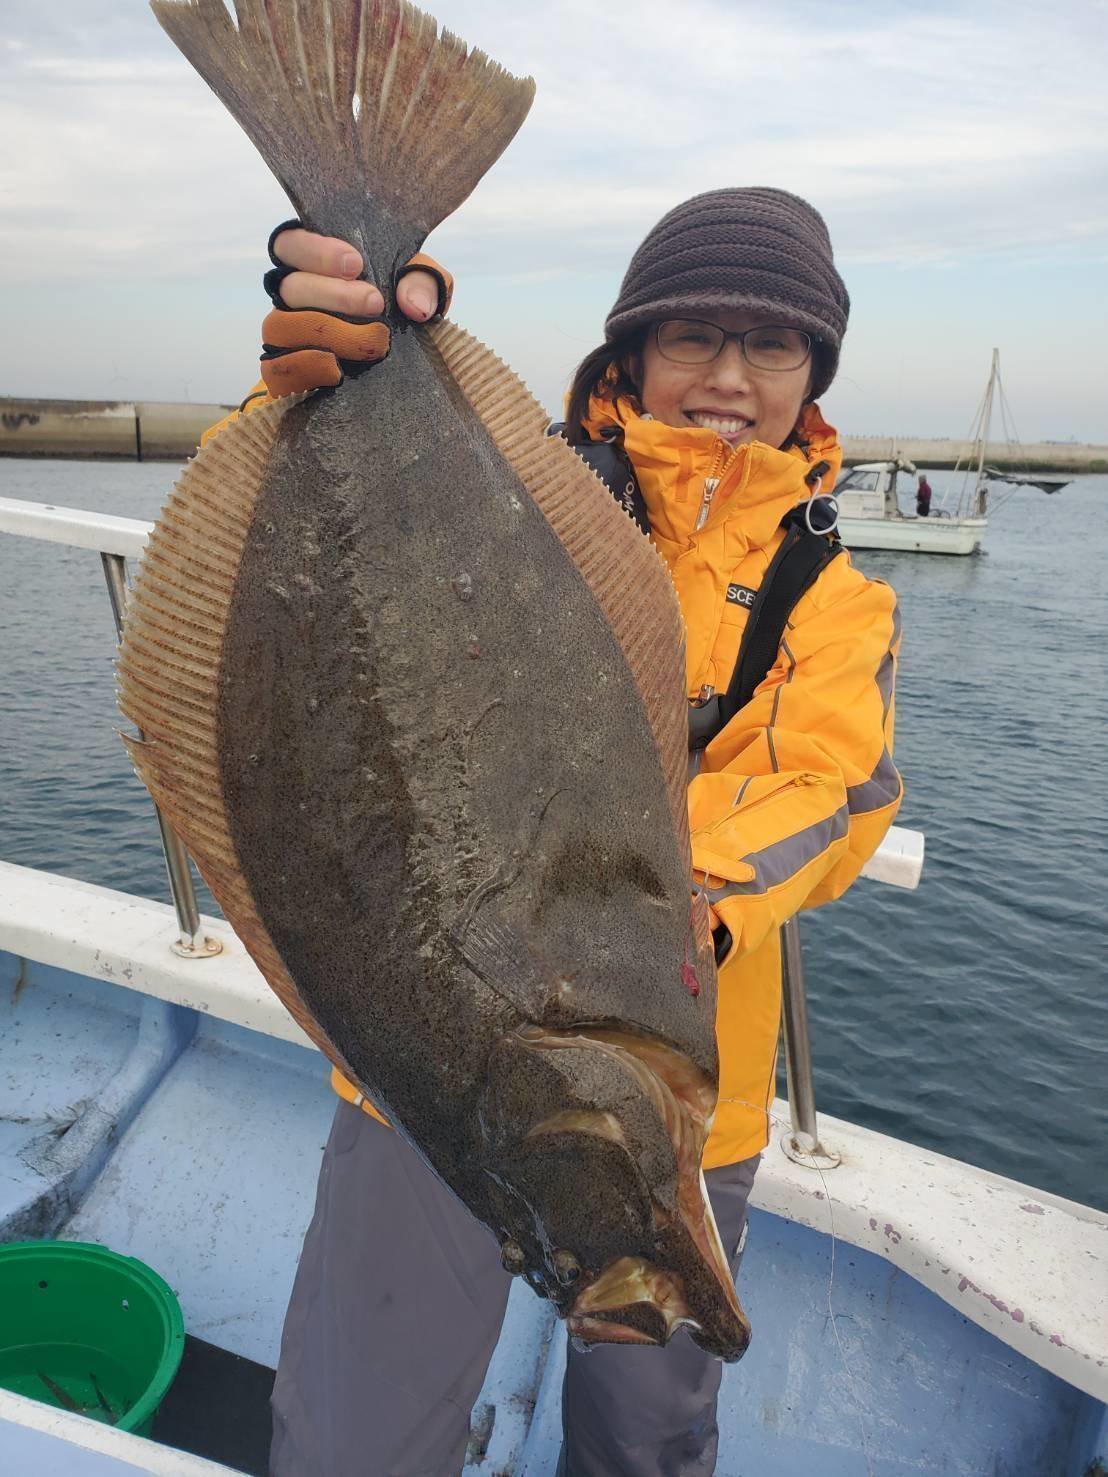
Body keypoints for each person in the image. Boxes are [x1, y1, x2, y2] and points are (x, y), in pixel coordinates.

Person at [205, 187, 902, 1477]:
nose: (729, 378)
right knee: (357, 1425)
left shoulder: (833, 596)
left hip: (681, 1103)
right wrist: (326, 363)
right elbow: (327, 585)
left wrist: (672, 913)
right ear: (631, 353)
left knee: (647, 1435)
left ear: (813, 376)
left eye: (772, 345)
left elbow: (828, 781)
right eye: (693, 337)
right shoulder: (511, 487)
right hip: (423, 1053)